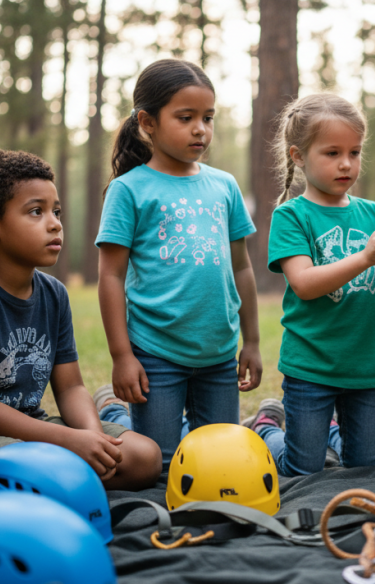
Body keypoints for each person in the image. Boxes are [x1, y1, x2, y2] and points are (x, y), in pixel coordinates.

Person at [0, 151, 162, 498]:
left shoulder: (54, 294)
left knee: (145, 457)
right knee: (42, 474)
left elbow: (71, 387)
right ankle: (62, 483)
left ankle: (73, 471)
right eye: (36, 211)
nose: (55, 223)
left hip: (32, 428)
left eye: (56, 211)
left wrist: (93, 437)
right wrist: (70, 441)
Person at [245, 94, 375, 477]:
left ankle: (330, 432)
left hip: (365, 367)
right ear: (297, 156)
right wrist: (364, 256)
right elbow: (305, 284)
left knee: (366, 470)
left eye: (355, 152)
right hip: (311, 367)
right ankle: (266, 430)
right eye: (332, 153)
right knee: (301, 470)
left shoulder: (371, 213)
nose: (346, 164)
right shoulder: (292, 216)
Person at [95, 59, 262, 468]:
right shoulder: (129, 190)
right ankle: (112, 413)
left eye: (207, 118)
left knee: (218, 461)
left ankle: (117, 414)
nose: (200, 129)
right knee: (159, 464)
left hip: (218, 353)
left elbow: (242, 267)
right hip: (156, 353)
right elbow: (111, 276)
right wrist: (122, 356)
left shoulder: (224, 185)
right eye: (185, 118)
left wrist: (252, 341)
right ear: (147, 122)